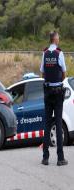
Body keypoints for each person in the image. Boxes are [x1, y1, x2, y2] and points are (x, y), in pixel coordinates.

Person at [40, 31, 68, 166]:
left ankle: (45, 157)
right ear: (54, 39)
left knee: (46, 124)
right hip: (57, 92)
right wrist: (57, 80)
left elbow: (42, 72)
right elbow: (64, 73)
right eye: (58, 37)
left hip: (47, 91)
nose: (59, 39)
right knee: (58, 123)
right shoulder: (59, 53)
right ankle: (60, 158)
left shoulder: (44, 53)